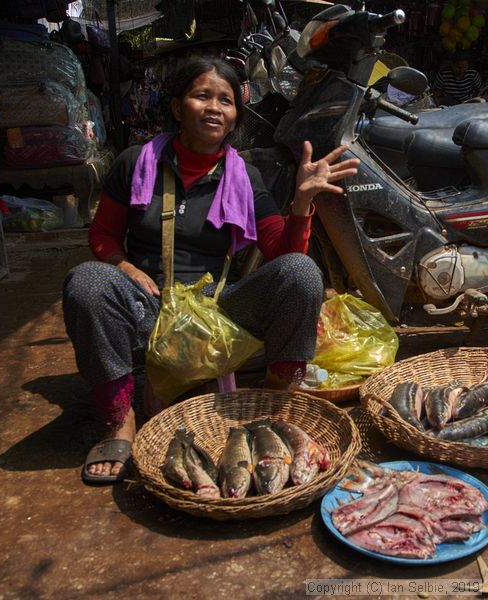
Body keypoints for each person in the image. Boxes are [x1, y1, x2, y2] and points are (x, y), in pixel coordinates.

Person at [63, 56, 360, 484]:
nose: (215, 108)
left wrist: (302, 203)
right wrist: (122, 265)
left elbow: (282, 253)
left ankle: (275, 406)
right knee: (86, 281)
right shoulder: (134, 162)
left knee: (302, 272)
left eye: (226, 100)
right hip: (147, 304)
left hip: (215, 313)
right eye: (202, 95)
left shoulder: (245, 176)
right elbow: (102, 235)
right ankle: (118, 421)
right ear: (177, 106)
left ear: (236, 113)